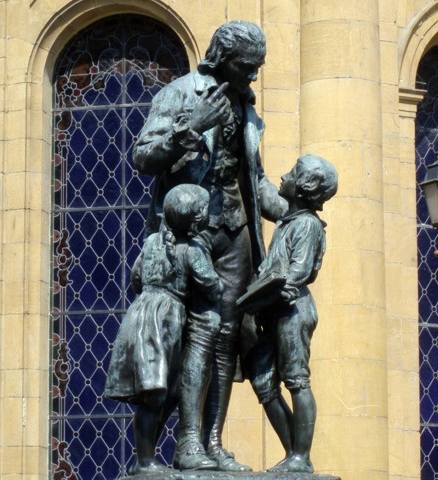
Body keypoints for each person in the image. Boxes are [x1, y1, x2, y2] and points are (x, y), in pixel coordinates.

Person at [133, 20, 287, 471]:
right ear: (222, 58)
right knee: (187, 338)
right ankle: (182, 445)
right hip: (189, 233)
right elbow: (143, 156)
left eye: (257, 67)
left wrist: (298, 210)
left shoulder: (246, 105)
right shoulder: (181, 93)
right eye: (247, 66)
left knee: (225, 338)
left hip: (235, 231)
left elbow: (255, 180)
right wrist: (190, 129)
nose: (254, 75)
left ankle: (212, 443)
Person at [104, 184, 222, 475]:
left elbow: (135, 278)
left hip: (141, 316)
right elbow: (210, 286)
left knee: (153, 393)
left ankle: (144, 459)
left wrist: (151, 296)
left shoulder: (151, 242)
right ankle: (145, 462)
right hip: (165, 323)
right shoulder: (192, 251)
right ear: (196, 220)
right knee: (158, 393)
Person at [241, 154, 338, 473]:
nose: (285, 175)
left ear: (304, 186)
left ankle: (301, 456)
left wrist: (263, 292)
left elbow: (296, 273)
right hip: (274, 310)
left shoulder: (307, 224)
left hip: (292, 310)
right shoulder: (289, 216)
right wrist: (249, 151)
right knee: (262, 377)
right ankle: (291, 453)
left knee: (297, 379)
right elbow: (262, 188)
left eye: (293, 173)